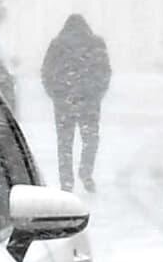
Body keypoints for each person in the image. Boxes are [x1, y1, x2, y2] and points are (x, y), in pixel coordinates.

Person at [42, 12, 112, 191]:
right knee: (90, 139)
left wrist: (56, 94)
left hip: (64, 102)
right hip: (89, 102)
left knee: (64, 142)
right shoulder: (96, 44)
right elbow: (104, 72)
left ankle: (66, 181)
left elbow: (46, 72)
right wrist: (97, 94)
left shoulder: (57, 45)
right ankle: (86, 171)